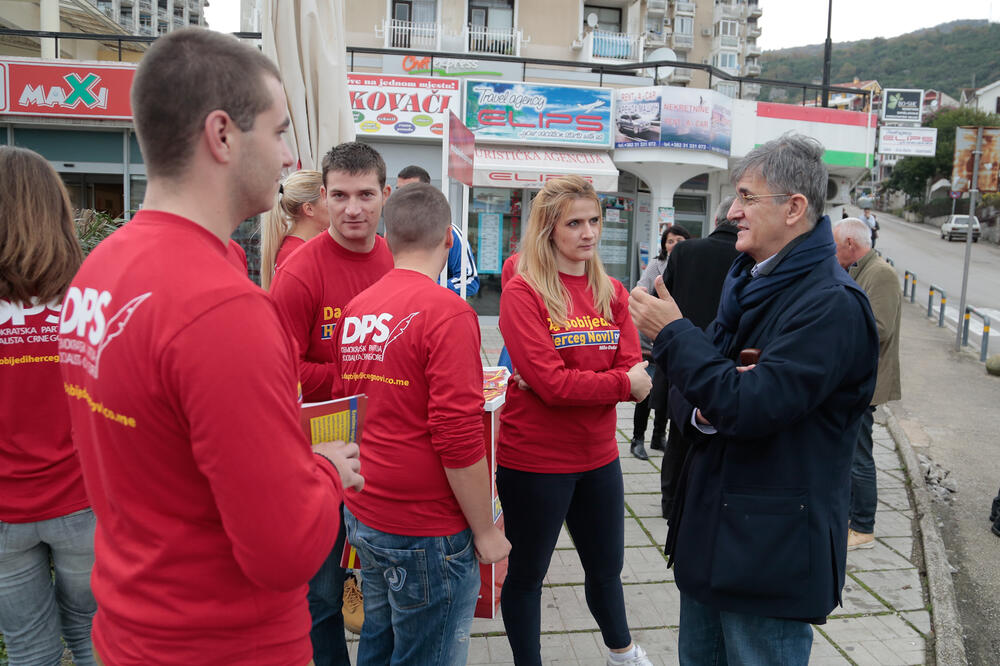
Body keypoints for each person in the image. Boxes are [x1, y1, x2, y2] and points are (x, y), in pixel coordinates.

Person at [56, 28, 363, 664]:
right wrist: (328, 470)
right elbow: (283, 553)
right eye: (279, 132)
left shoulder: (98, 270)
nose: (288, 158)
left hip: (134, 628)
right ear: (222, 135)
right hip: (225, 641)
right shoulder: (223, 312)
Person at [629, 134, 879, 664]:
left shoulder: (831, 305)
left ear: (794, 209)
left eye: (746, 196)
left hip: (771, 555)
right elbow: (705, 397)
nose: (733, 211)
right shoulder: (746, 281)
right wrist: (709, 402)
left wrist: (676, 336)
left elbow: (749, 405)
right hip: (711, 540)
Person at [332, 183, 510, 665]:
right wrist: (487, 531)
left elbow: (350, 407)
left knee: (378, 642)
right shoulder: (447, 313)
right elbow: (456, 438)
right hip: (426, 529)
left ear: (387, 238)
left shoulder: (357, 309)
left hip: (367, 509)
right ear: (449, 241)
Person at [498, 175, 653, 666]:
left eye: (594, 221)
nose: (589, 233)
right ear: (548, 229)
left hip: (598, 456)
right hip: (534, 461)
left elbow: (633, 367)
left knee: (607, 569)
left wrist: (579, 382)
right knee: (527, 575)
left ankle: (623, 654)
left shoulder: (611, 290)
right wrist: (617, 384)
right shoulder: (523, 292)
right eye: (575, 223)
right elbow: (555, 385)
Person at [270, 141, 395, 661]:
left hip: (384, 449)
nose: (353, 209)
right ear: (321, 197)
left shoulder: (394, 258)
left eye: (365, 194)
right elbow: (277, 371)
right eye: (340, 195)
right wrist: (357, 373)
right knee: (322, 594)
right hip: (317, 455)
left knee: (376, 589)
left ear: (385, 196)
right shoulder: (299, 272)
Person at [0, 146, 97, 665]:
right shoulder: (88, 296)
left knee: (28, 650)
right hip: (83, 500)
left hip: (4, 513)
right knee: (94, 637)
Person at [656, 197, 741, 520]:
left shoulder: (685, 252)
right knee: (718, 431)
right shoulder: (748, 256)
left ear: (717, 219)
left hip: (683, 348)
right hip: (726, 353)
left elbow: (663, 298)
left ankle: (670, 502)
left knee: (679, 429)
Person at [833, 217, 902, 550]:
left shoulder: (881, 274)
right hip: (854, 379)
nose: (832, 253)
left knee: (860, 456)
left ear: (849, 244)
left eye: (835, 246)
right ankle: (850, 518)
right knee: (850, 454)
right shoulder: (858, 270)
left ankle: (863, 528)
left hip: (867, 381)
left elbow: (880, 328)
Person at [630, 224, 690, 460]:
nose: (674, 245)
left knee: (667, 392)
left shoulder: (689, 266)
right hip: (650, 338)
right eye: (670, 240)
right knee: (646, 391)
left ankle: (658, 437)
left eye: (679, 240)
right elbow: (640, 289)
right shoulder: (658, 264)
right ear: (664, 244)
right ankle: (637, 439)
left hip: (675, 335)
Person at [396, 165, 480, 297]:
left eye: (411, 191)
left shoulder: (450, 232)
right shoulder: (392, 231)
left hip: (435, 311)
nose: (403, 197)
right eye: (399, 191)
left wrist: (430, 287)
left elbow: (470, 281)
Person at [260, 169, 328, 289]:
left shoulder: (296, 248)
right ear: (309, 209)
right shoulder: (299, 255)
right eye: (328, 197)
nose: (337, 204)